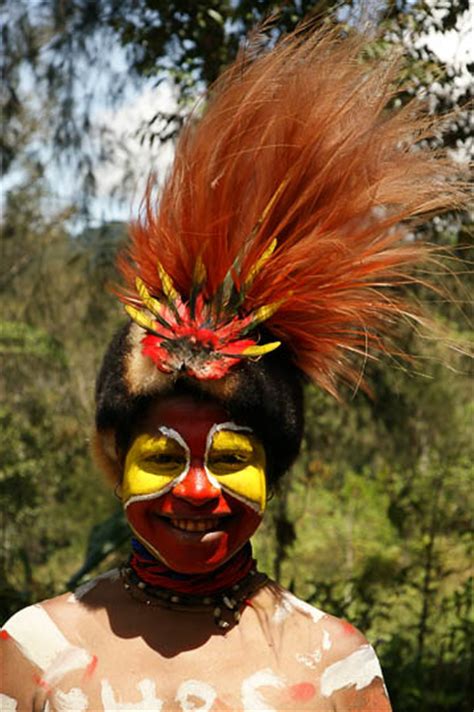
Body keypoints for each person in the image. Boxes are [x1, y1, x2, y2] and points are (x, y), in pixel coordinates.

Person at [1, 25, 462, 712]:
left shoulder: (335, 663)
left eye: (232, 456)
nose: (195, 491)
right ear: (112, 455)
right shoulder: (36, 651)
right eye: (161, 456)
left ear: (272, 472)